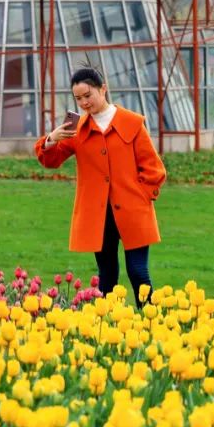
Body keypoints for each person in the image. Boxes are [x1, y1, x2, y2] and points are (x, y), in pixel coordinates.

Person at [34, 67, 166, 304]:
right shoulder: (76, 128)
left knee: (138, 272)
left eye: (88, 95)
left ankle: (151, 323)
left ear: (103, 88)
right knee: (106, 276)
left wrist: (142, 197)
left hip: (133, 211)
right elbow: (49, 160)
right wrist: (51, 139)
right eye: (78, 98)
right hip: (98, 215)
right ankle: (107, 327)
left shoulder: (132, 123)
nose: (84, 102)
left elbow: (154, 169)